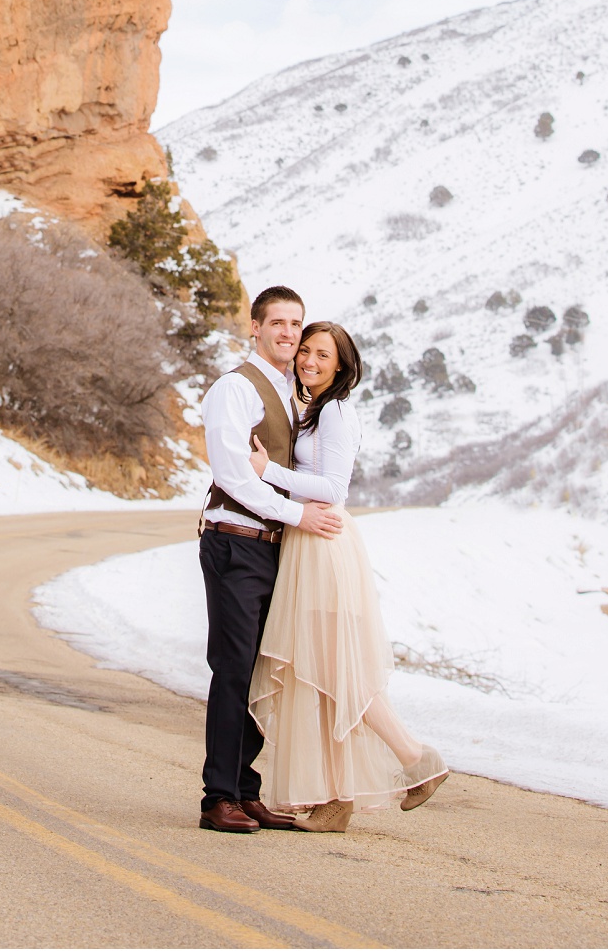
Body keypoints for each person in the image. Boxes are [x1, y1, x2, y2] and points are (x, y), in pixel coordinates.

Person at [246, 320, 449, 831]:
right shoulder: (312, 412)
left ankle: (414, 757)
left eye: (322, 355)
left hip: (325, 543)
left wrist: (265, 470)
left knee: (333, 669)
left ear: (342, 366)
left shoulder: (334, 411)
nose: (309, 361)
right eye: (306, 352)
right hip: (307, 542)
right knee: (318, 671)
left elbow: (332, 487)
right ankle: (335, 799)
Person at [197, 285, 344, 834]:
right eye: (276, 322)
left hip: (274, 547)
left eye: (295, 324)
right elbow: (235, 474)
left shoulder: (292, 391)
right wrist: (299, 515)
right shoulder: (235, 389)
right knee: (233, 668)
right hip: (235, 540)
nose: (287, 333)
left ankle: (246, 788)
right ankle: (218, 797)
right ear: (254, 328)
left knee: (261, 667)